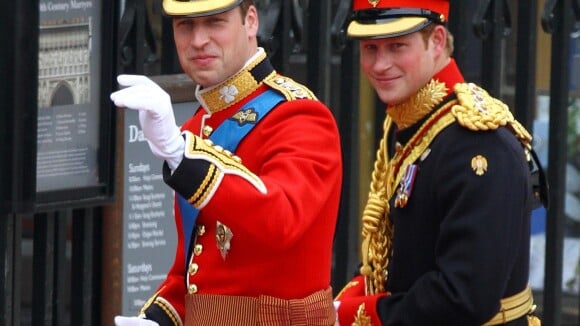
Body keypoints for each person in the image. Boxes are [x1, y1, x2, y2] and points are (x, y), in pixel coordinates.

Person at [110, 0, 343, 325]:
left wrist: (180, 154)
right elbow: (192, 272)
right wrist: (158, 319)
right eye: (185, 26)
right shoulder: (196, 128)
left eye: (215, 22)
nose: (198, 40)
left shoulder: (298, 116)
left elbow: (281, 220)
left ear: (250, 21)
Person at [334, 0, 544, 325]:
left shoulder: (479, 142)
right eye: (370, 48)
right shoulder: (410, 121)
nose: (379, 64)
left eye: (397, 46)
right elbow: (400, 254)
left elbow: (463, 298)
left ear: (437, 41)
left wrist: (355, 314)